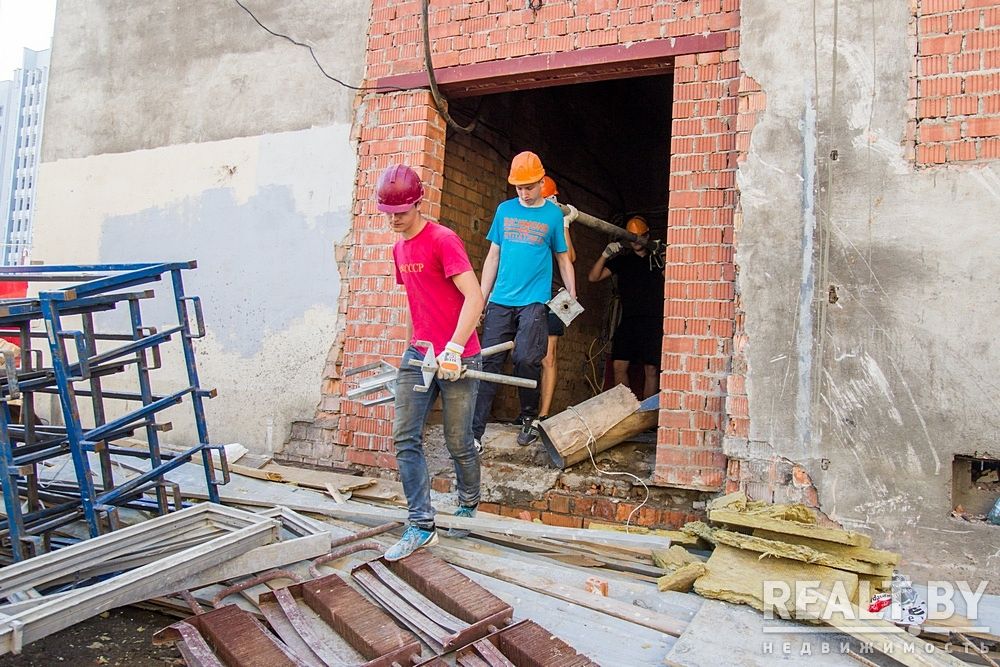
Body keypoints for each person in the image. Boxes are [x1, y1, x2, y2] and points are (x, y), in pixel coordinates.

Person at [377, 164, 485, 561]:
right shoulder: (399, 249)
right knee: (405, 437)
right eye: (388, 212)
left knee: (458, 440)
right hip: (420, 354)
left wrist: (454, 348)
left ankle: (468, 503)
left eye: (401, 211)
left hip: (459, 353)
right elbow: (416, 302)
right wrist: (411, 348)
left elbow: (474, 297)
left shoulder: (443, 240)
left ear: (418, 203)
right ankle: (421, 524)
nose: (394, 219)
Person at [473, 152, 576, 449]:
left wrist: (572, 293)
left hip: (534, 301)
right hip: (501, 299)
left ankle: (529, 417)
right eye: (519, 187)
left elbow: (563, 258)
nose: (524, 193)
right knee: (487, 362)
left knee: (527, 358)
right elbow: (493, 256)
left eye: (529, 187)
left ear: (541, 182)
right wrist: (480, 300)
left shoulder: (552, 215)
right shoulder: (504, 210)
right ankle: (474, 434)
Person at [587, 215, 664, 400]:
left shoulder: (656, 260)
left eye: (639, 237)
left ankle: (646, 413)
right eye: (632, 237)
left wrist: (665, 259)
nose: (636, 241)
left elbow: (673, 281)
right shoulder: (623, 261)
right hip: (629, 319)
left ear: (647, 236)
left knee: (651, 368)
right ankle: (626, 408)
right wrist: (605, 255)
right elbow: (593, 277)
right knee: (619, 365)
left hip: (653, 320)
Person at [538, 176, 578, 423]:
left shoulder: (557, 222)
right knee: (526, 354)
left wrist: (563, 223)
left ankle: (543, 414)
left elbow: (570, 257)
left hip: (559, 295)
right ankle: (527, 413)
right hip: (535, 292)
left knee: (548, 355)